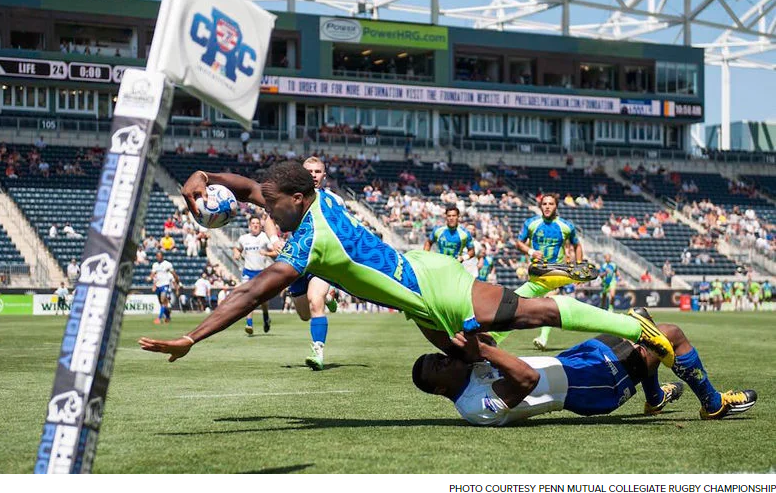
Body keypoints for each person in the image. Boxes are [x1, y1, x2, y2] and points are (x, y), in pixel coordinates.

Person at [138, 162, 675, 370]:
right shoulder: (311, 201)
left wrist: (193, 336)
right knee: (474, 357)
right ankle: (547, 384)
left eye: (273, 204)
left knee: (532, 314)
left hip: (430, 286)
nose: (264, 207)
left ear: (297, 200)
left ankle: (636, 329)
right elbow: (254, 188)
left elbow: (250, 293)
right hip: (415, 286)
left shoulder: (309, 244)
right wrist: (205, 175)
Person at [412, 310, 757, 426]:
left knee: (641, 322)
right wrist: (483, 350)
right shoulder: (474, 407)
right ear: (440, 389)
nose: (443, 359)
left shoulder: (467, 372)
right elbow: (526, 379)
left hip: (576, 359)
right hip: (589, 387)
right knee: (670, 336)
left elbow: (486, 342)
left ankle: (653, 398)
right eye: (437, 366)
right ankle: (713, 404)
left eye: (437, 356)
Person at [509, 193, 591, 350]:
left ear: (556, 206)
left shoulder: (566, 226)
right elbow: (519, 243)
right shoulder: (531, 223)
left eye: (551, 204)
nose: (547, 206)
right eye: (544, 203)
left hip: (555, 272)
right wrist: (531, 252)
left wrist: (579, 266)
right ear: (540, 206)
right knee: (516, 305)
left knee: (548, 301)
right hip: (536, 273)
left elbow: (577, 245)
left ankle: (543, 338)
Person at [286, 157, 339, 370]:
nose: (313, 175)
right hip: (298, 262)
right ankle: (328, 297)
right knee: (304, 314)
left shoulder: (334, 201)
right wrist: (274, 241)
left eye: (317, 171)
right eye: (309, 171)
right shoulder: (290, 199)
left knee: (314, 301)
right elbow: (270, 220)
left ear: (324, 176)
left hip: (322, 260)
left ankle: (318, 352)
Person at [234, 215, 277, 334]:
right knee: (248, 298)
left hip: (261, 272)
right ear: (249, 225)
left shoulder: (264, 237)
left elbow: (275, 251)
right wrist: (236, 253)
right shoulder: (244, 238)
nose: (255, 225)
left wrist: (267, 254)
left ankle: (266, 317)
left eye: (257, 223)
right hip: (248, 271)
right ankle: (249, 324)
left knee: (263, 301)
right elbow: (237, 248)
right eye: (253, 223)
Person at [148, 252, 179, 325]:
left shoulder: (167, 264)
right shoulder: (155, 265)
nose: (158, 257)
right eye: (157, 256)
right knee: (161, 303)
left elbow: (173, 273)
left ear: (162, 257)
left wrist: (177, 280)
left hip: (165, 284)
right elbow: (153, 274)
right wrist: (150, 278)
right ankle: (167, 316)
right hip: (158, 285)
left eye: (159, 256)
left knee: (163, 300)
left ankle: (159, 318)